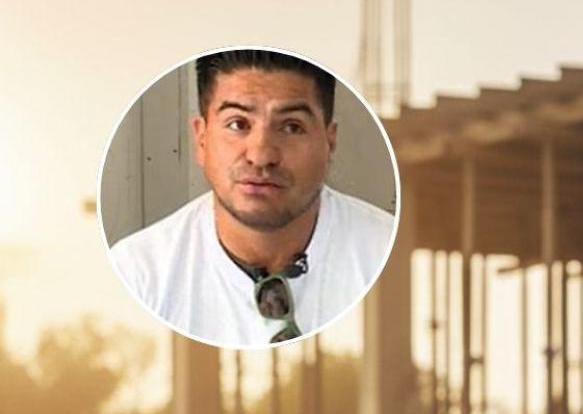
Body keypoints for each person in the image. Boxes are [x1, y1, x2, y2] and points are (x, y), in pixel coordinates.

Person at [109, 49, 394, 347]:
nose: (261, 156)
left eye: (291, 127)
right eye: (237, 124)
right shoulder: (140, 272)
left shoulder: (383, 251)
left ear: (329, 141)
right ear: (201, 139)